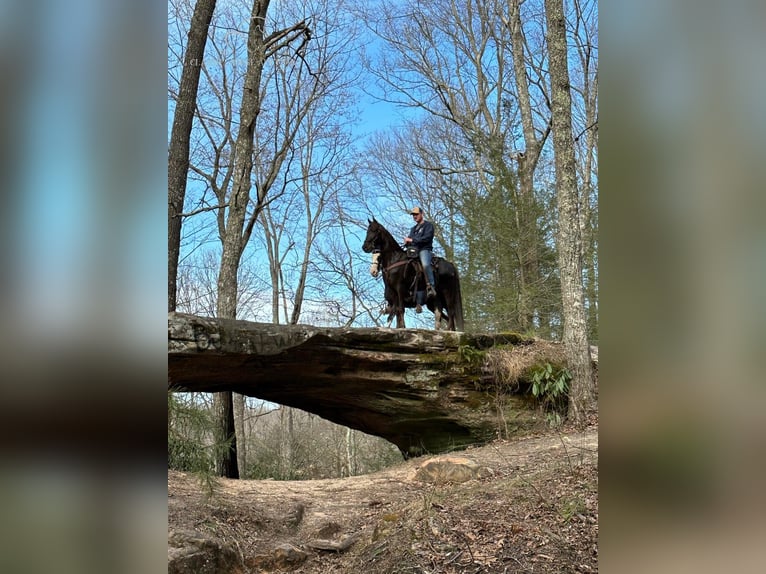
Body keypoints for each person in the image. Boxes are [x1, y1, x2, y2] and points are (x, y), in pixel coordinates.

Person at [404, 206, 437, 312]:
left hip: (424, 250)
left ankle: (431, 286)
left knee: (425, 265)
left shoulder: (428, 226)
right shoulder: (413, 229)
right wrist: (407, 243)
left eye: (416, 214)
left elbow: (427, 238)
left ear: (422, 214)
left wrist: (412, 239)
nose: (415, 216)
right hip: (413, 251)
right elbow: (411, 241)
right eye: (413, 215)